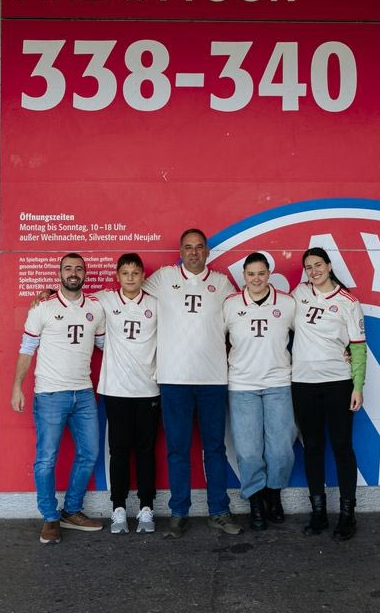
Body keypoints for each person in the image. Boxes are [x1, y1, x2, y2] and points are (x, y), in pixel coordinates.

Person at [143, 228, 240, 537]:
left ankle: (219, 511)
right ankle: (179, 512)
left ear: (208, 251)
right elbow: (129, 294)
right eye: (188, 247)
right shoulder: (163, 277)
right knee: (177, 449)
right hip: (174, 379)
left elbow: (244, 317)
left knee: (215, 448)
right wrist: (51, 294)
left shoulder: (222, 283)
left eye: (199, 247)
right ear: (181, 251)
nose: (194, 252)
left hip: (213, 379)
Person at [10, 253, 107, 545]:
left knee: (89, 453)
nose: (73, 273)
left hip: (84, 393)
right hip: (50, 394)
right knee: (46, 459)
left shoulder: (96, 307)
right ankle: (50, 517)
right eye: (68, 268)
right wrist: (17, 386)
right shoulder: (43, 307)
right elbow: (27, 347)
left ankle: (72, 511)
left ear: (85, 273)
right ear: (60, 273)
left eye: (78, 268)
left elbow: (106, 345)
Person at [291, 247, 367, 541]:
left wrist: (357, 386)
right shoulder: (299, 294)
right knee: (312, 447)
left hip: (338, 383)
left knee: (342, 446)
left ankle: (348, 515)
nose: (314, 271)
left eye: (318, 265)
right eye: (308, 267)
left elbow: (358, 348)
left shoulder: (349, 302)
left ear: (330, 265)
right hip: (303, 383)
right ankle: (318, 512)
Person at [222, 252, 297, 530]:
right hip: (242, 385)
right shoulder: (230, 305)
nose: (256, 279)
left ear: (269, 274)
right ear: (244, 276)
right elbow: (214, 340)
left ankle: (273, 496)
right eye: (251, 274)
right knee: (248, 450)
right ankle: (255, 500)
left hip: (278, 383)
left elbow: (310, 335)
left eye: (261, 273)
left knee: (280, 449)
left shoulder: (287, 303)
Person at [93, 253, 161, 534]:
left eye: (135, 273)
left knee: (146, 451)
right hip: (116, 389)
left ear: (143, 275)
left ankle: (146, 507)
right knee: (118, 451)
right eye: (125, 273)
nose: (130, 278)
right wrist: (48, 293)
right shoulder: (106, 300)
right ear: (117, 276)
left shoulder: (155, 304)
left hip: (148, 389)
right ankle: (118, 508)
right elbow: (74, 300)